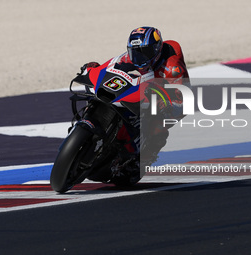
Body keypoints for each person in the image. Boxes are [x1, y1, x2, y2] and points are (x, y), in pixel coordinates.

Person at [81, 26, 190, 178]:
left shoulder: (172, 68)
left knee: (158, 125)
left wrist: (166, 104)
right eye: (135, 52)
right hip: (146, 82)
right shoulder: (134, 56)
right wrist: (95, 69)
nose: (139, 57)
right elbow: (114, 64)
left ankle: (145, 158)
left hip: (168, 94)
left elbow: (184, 103)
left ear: (156, 49)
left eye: (144, 53)